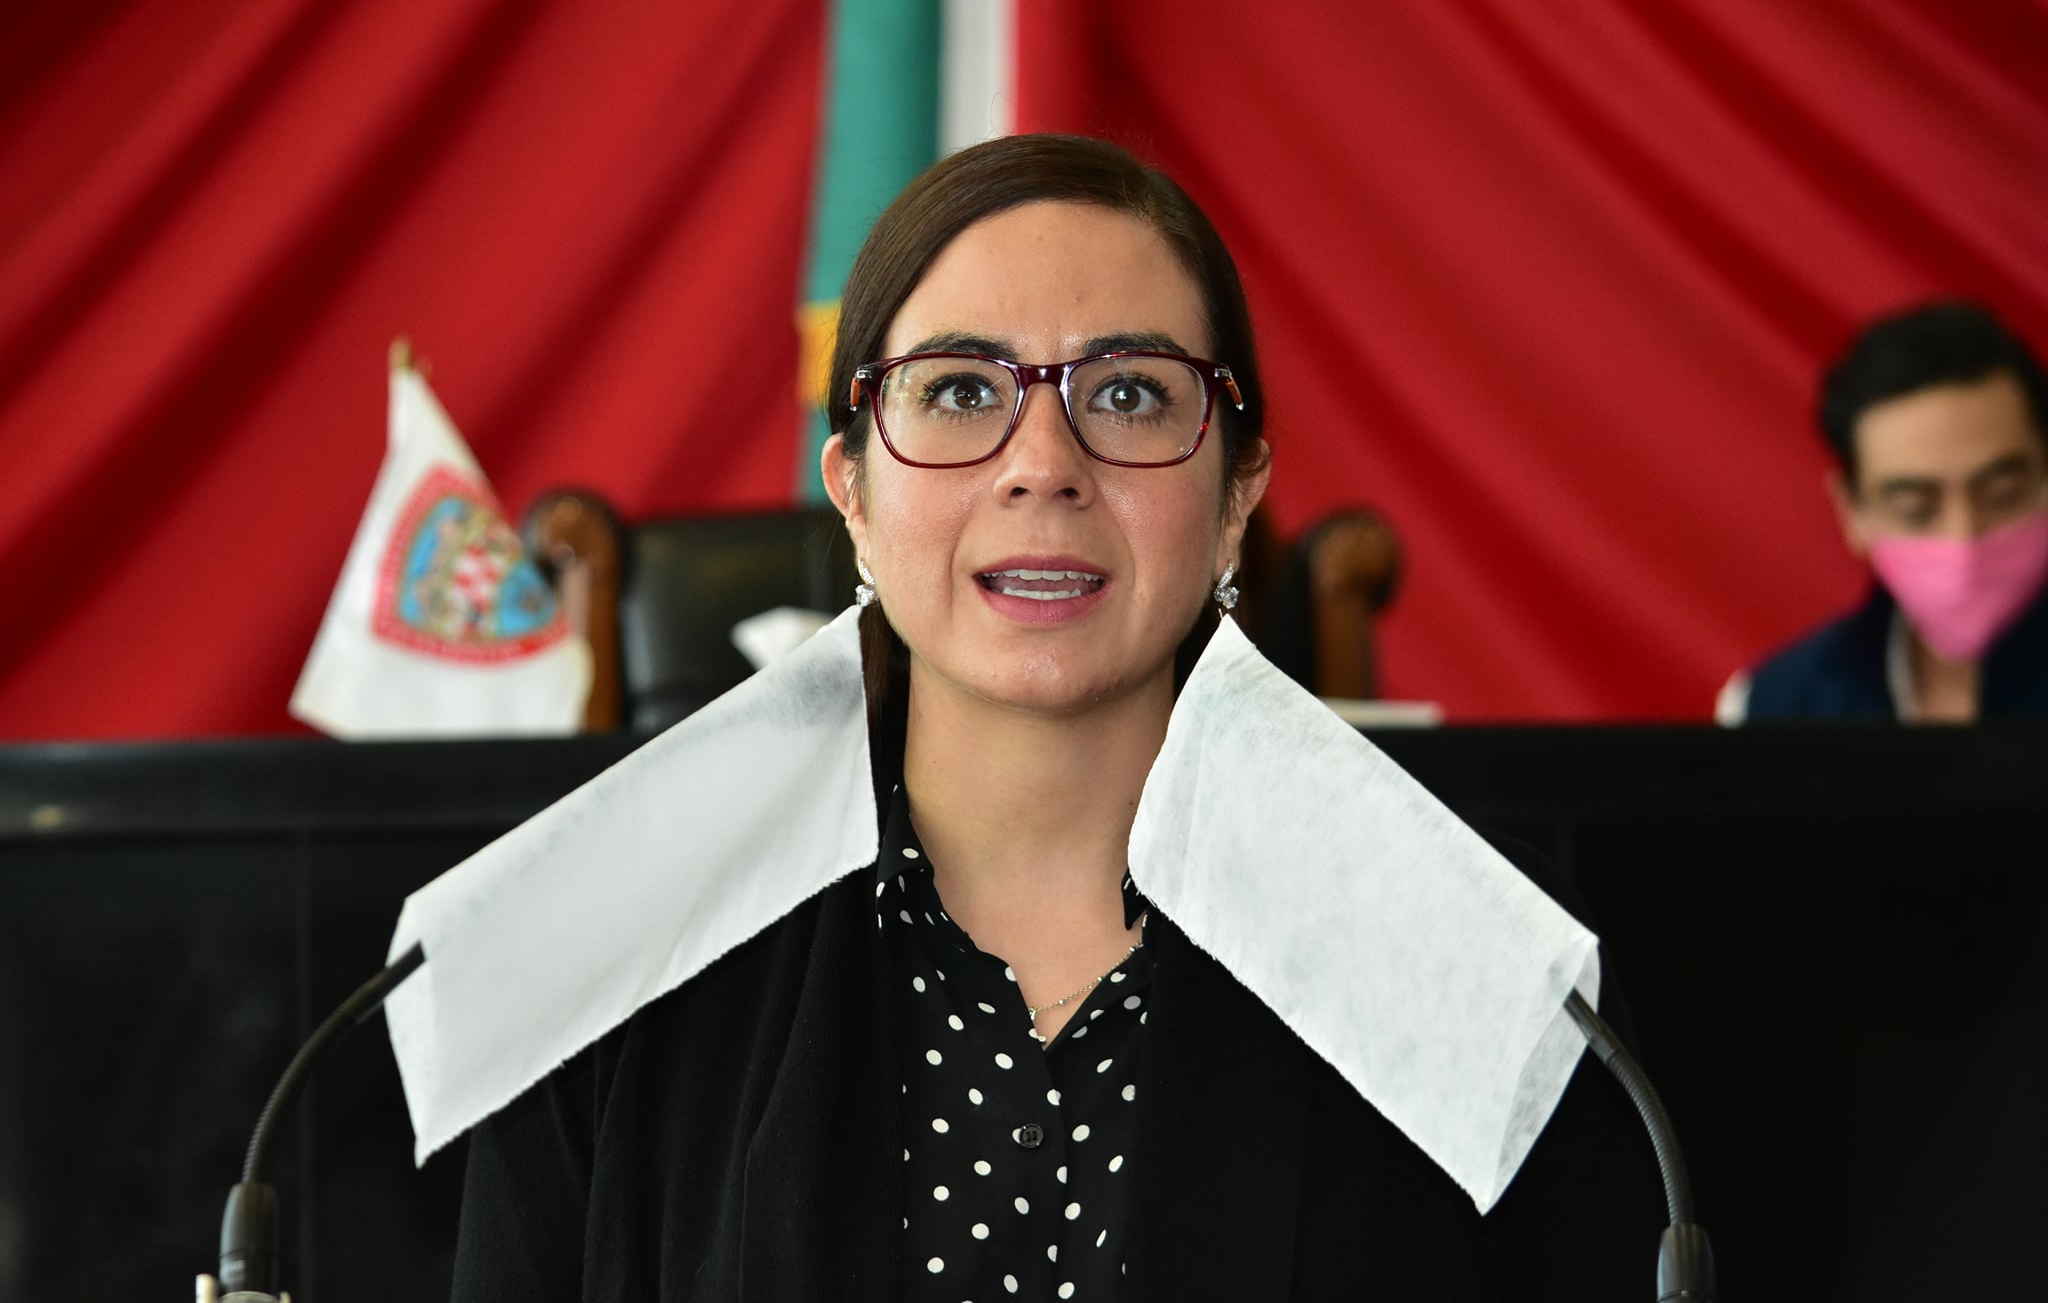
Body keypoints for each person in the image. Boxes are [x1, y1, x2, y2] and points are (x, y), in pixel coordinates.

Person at [449, 134, 1659, 1300]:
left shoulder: (1474, 953)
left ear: (1237, 491)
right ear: (851, 490)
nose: (1042, 464)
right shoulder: (607, 952)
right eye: (959, 390)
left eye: (1127, 393)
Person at [1720, 300, 2048, 723]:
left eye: (2003, 495)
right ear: (1853, 511)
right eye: (1917, 511)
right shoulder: (1775, 705)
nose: (1963, 537)